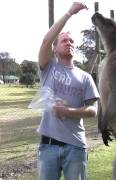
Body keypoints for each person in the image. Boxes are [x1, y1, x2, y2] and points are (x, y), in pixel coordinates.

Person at [36, 2, 100, 180]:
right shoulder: (48, 68)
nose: (69, 43)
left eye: (71, 41)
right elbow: (46, 40)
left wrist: (68, 111)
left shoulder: (85, 77)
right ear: (55, 48)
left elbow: (93, 110)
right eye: (64, 40)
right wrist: (69, 13)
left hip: (76, 146)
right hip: (48, 146)